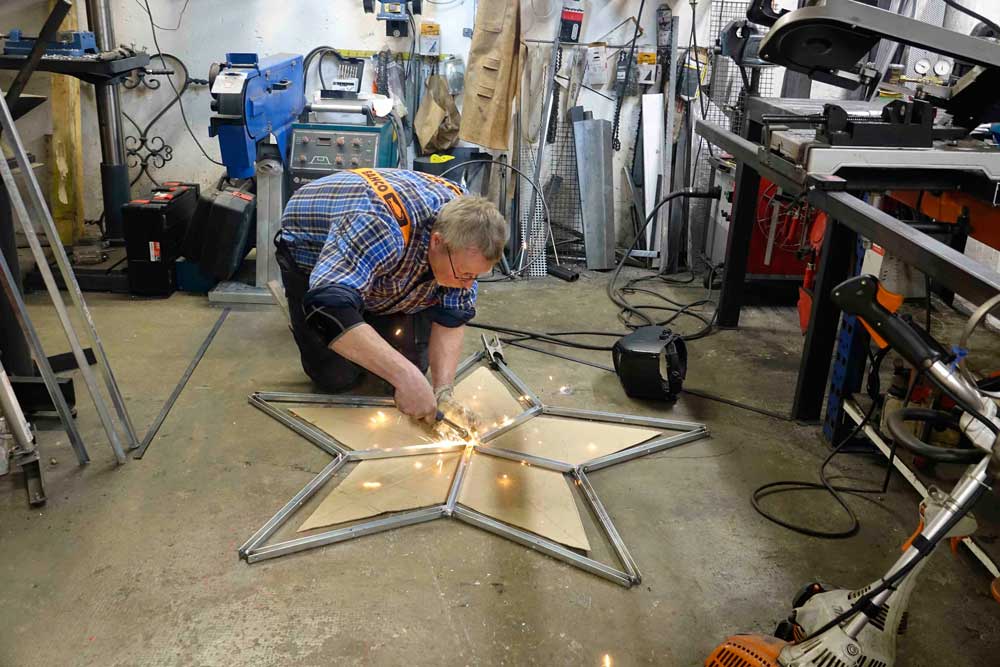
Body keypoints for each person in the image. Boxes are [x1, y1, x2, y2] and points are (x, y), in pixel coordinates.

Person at [275, 168, 508, 432]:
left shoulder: (469, 231)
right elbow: (327, 308)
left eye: (475, 277)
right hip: (312, 249)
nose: (468, 284)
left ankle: (371, 314)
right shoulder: (379, 225)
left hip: (391, 262)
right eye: (465, 275)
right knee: (337, 377)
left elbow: (452, 315)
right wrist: (403, 375)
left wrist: (443, 390)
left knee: (412, 370)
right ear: (437, 242)